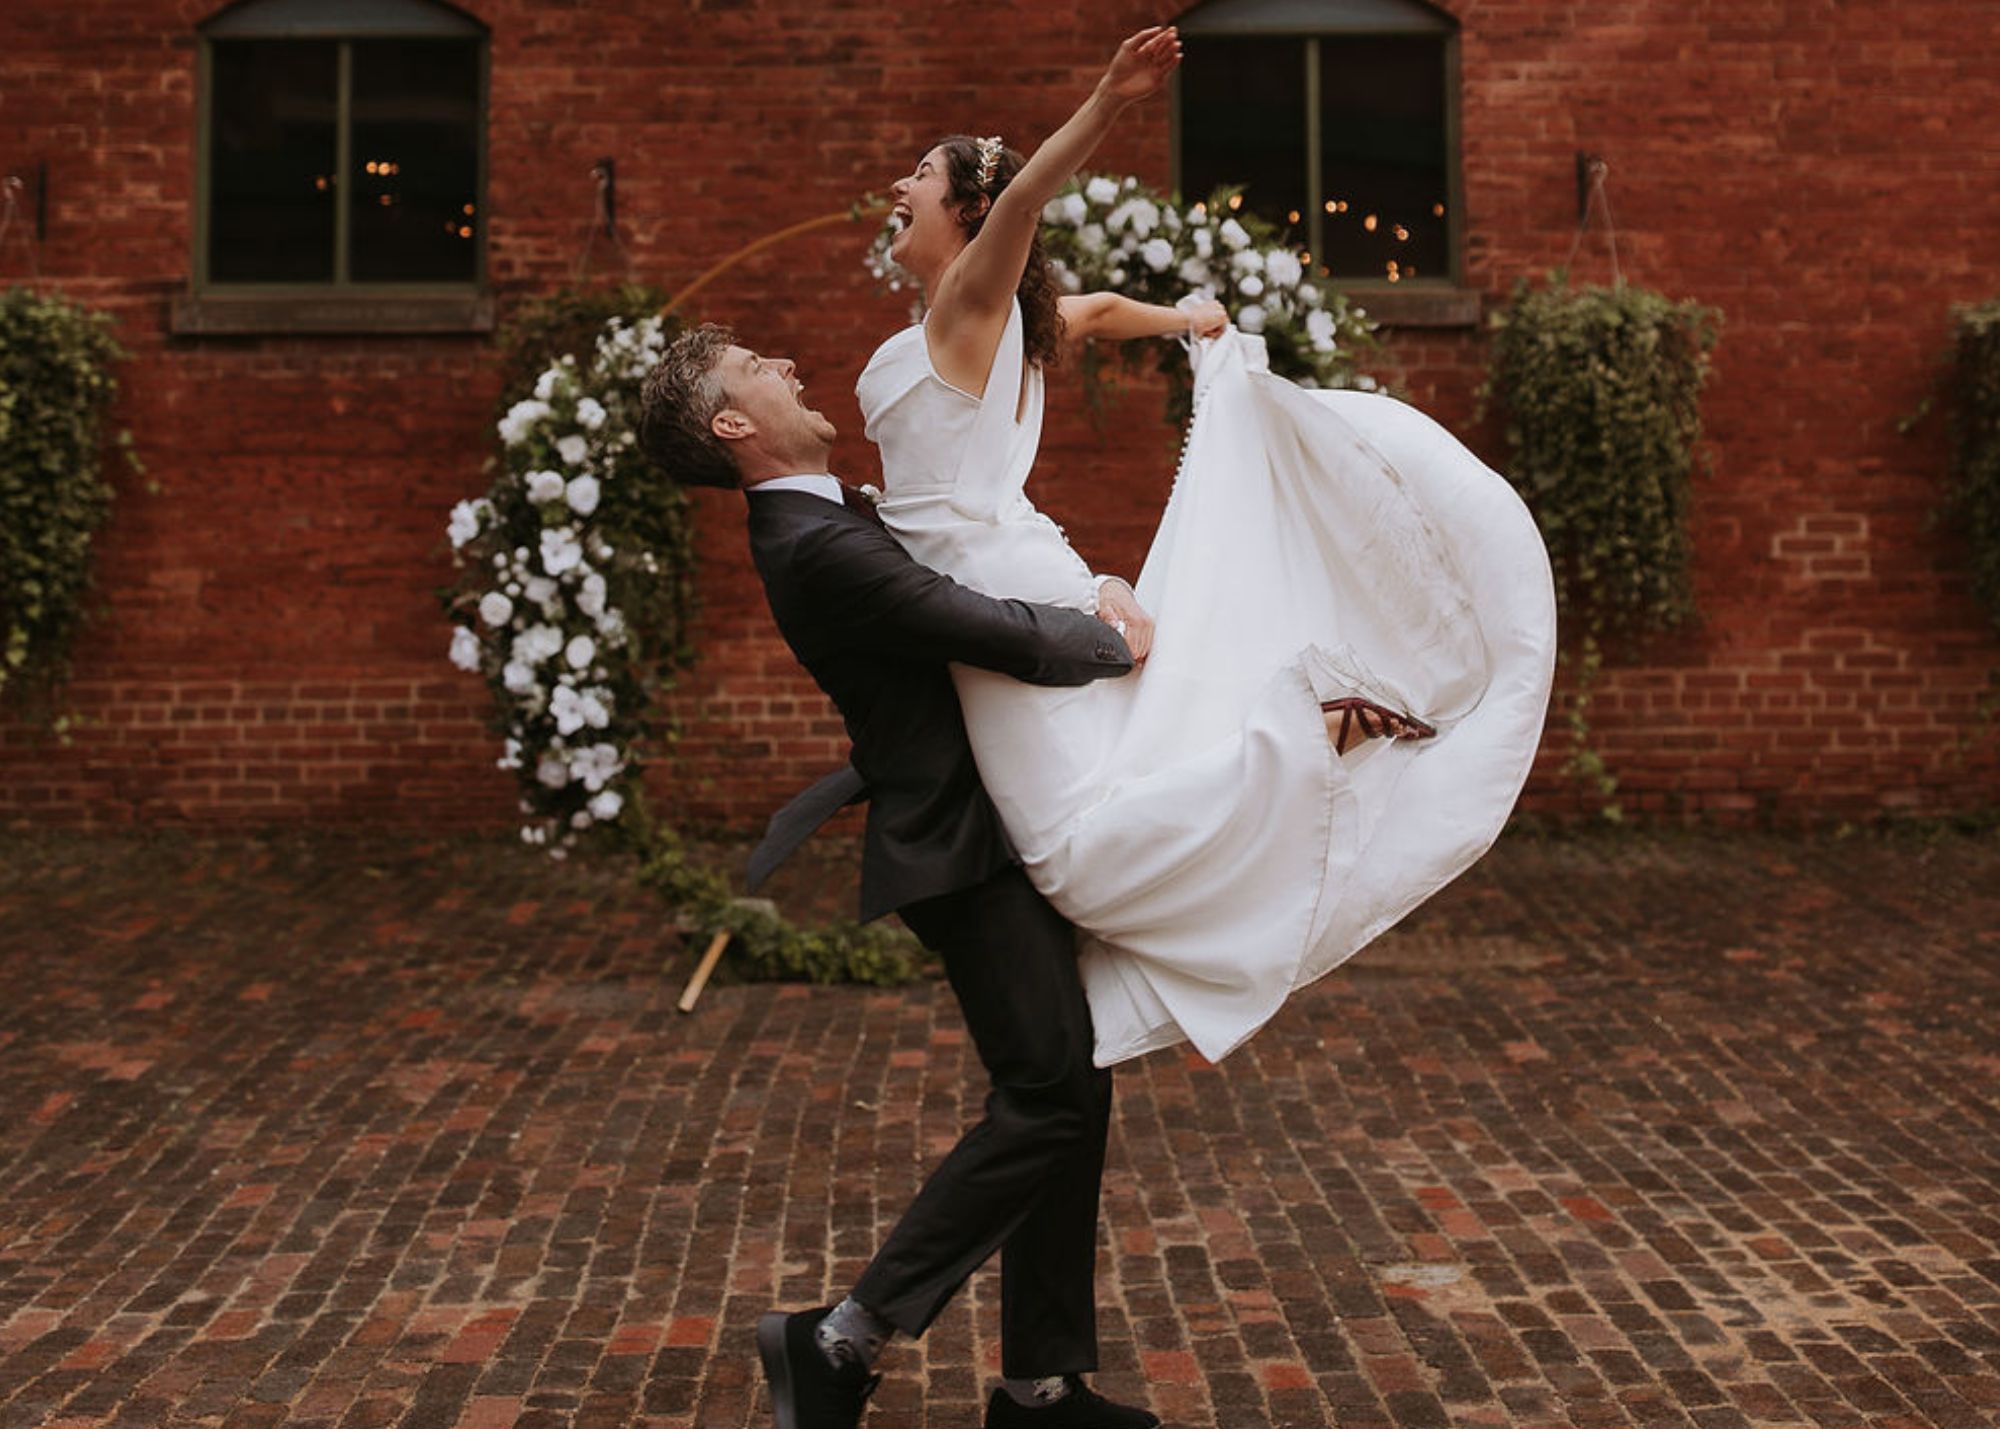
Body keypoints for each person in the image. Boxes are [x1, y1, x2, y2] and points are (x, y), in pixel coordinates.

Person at [856, 25, 1556, 1068]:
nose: (897, 185)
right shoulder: (998, 326)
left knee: (1072, 850)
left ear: (967, 213)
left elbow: (1025, 203)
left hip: (998, 594)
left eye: (920, 173)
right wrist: (1185, 320)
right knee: (1123, 776)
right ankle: (1291, 741)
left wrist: (1108, 98)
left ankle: (1298, 737)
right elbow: (1094, 310)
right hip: (1020, 576)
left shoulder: (966, 306)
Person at [637, 330, 1160, 1429]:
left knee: (1068, 1086)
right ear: (731, 423)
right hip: (955, 845)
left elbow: (980, 570)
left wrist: (1094, 584)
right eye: (756, 367)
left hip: (995, 820)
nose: (787, 365)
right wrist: (1111, 640)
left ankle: (1040, 1386)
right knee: (1049, 1095)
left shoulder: (837, 512)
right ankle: (839, 1339)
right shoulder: (810, 542)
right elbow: (976, 625)